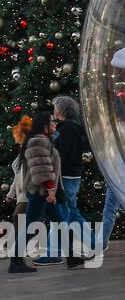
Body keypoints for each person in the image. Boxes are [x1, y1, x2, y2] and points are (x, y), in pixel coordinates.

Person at [20, 112, 86, 269]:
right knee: (30, 225)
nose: (55, 124)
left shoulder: (45, 140)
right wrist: (50, 191)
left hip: (46, 191)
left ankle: (71, 257)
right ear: (44, 125)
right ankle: (16, 261)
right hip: (40, 191)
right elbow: (43, 170)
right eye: (51, 122)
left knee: (60, 222)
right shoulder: (38, 141)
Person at [51, 97, 90, 251]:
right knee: (70, 212)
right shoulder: (73, 126)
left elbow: (62, 153)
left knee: (62, 213)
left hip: (67, 175)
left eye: (55, 107)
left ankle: (52, 251)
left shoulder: (67, 128)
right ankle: (93, 243)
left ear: (60, 110)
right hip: (72, 174)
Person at [5, 116, 37, 274]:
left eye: (15, 134)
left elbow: (25, 175)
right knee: (21, 226)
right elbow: (17, 176)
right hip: (22, 196)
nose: (14, 136)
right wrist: (11, 194)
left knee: (22, 225)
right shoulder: (23, 150)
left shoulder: (27, 150)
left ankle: (16, 260)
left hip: (26, 196)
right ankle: (16, 261)